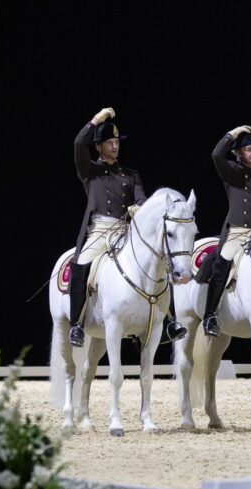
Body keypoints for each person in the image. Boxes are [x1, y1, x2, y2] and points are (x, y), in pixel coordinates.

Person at [69, 107, 156, 347]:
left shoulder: (130, 174)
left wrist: (139, 208)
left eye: (116, 141)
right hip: (99, 230)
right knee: (82, 264)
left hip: (124, 232)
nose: (115, 146)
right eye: (109, 142)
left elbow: (141, 199)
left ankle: (163, 319)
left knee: (154, 262)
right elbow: (78, 144)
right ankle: (76, 324)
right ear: (99, 147)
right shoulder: (90, 171)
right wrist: (95, 120)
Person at [200, 125, 251, 337]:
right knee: (223, 262)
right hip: (238, 232)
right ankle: (210, 315)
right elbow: (216, 154)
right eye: (248, 150)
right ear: (239, 153)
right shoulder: (232, 172)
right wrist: (232, 134)